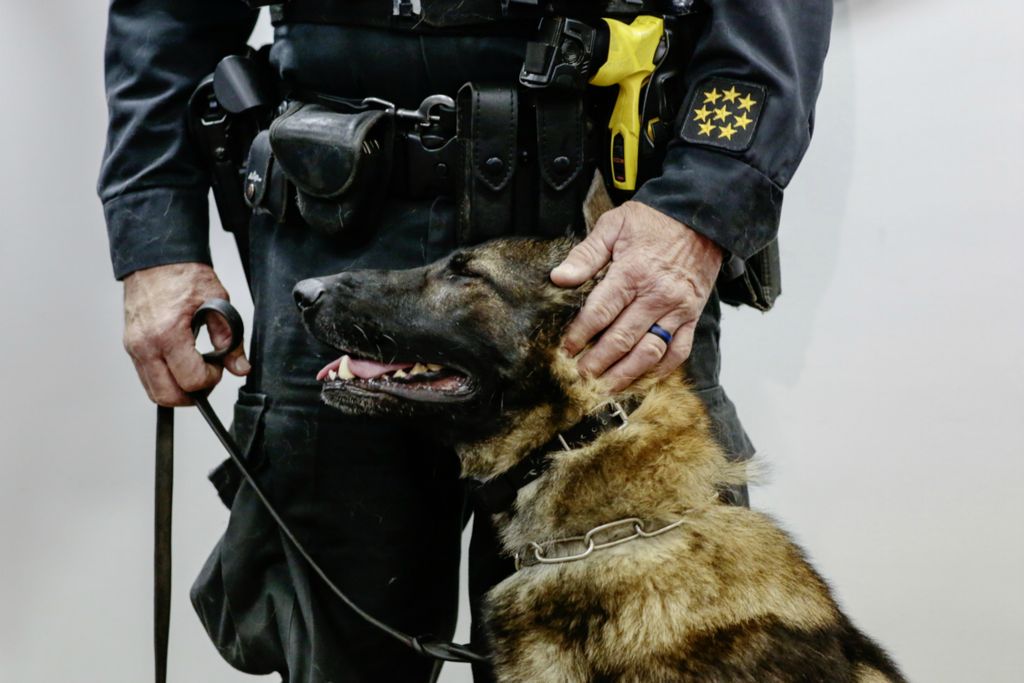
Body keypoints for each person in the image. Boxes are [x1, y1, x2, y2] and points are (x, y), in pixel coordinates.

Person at [99, 1, 832, 681]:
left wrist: (700, 207)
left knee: (657, 643)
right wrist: (154, 235)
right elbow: (169, 12)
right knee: (334, 653)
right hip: (334, 229)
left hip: (598, 244)